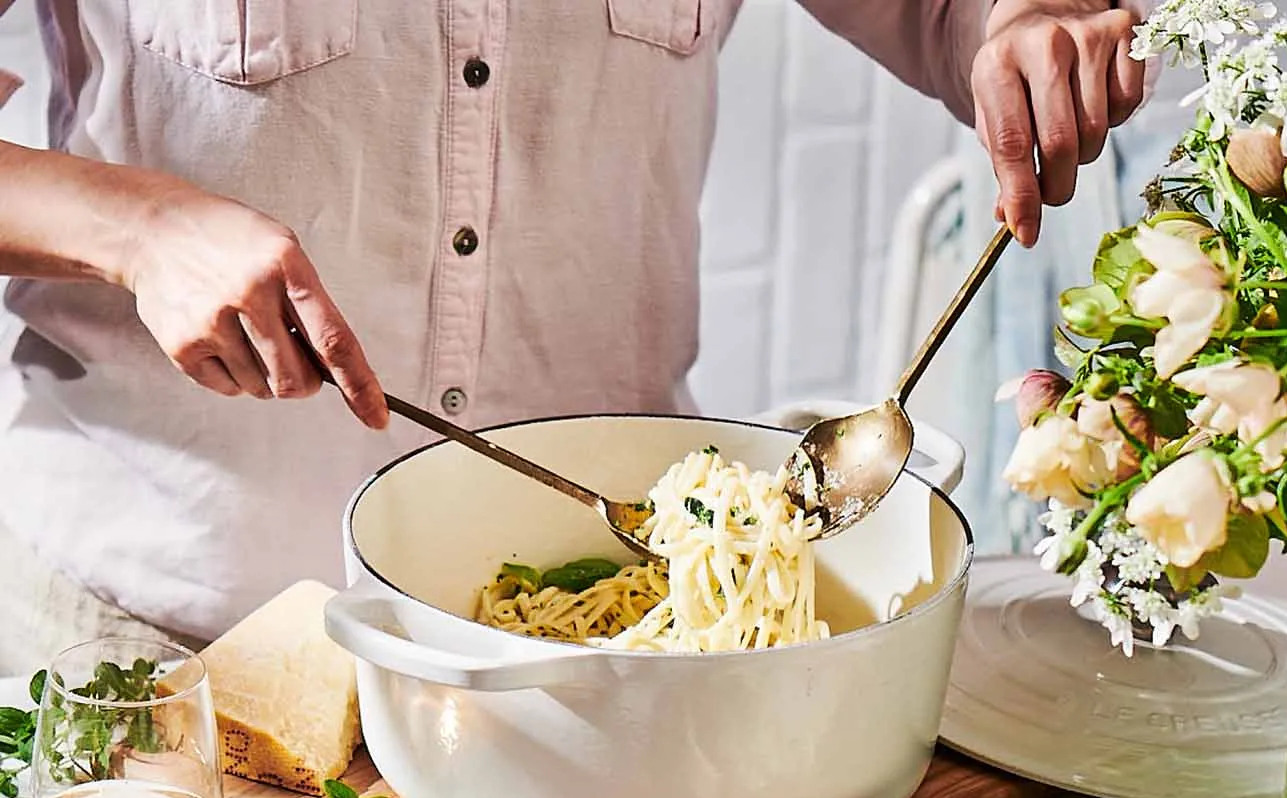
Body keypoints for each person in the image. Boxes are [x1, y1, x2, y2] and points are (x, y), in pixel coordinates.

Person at [0, 1, 1144, 667]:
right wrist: (133, 228)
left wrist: (1024, 29)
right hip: (158, 643)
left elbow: (958, 17)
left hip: (614, 665)